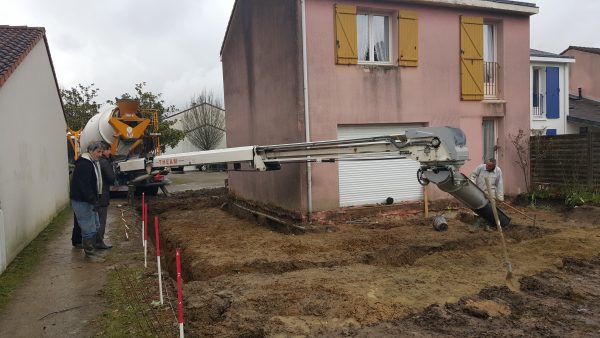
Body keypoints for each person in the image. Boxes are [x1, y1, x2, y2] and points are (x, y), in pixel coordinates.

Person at [70, 141, 104, 260]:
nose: (100, 154)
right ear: (90, 151)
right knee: (88, 227)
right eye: (98, 151)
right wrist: (93, 200)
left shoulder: (91, 162)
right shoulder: (84, 164)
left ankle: (91, 251)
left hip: (88, 200)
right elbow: (84, 186)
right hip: (82, 201)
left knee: (95, 225)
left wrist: (95, 199)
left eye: (101, 151)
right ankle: (89, 255)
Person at [469, 158, 504, 231]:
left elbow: (499, 184)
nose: (487, 167)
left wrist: (500, 197)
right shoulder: (481, 167)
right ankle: (476, 225)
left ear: (493, 166)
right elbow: (473, 175)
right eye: (487, 164)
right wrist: (472, 183)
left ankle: (487, 225)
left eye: (489, 166)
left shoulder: (498, 171)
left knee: (490, 210)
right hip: (480, 191)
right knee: (478, 207)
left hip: (491, 193)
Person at [95, 142, 116, 249]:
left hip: (95, 195)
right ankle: (99, 242)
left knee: (95, 220)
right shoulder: (104, 162)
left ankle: (95, 241)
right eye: (109, 150)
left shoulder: (95, 161)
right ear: (104, 150)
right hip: (102, 195)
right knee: (101, 220)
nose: (110, 152)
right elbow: (111, 178)